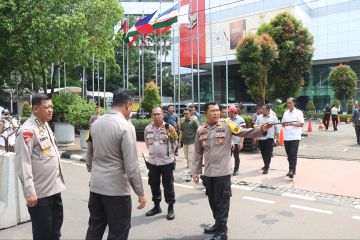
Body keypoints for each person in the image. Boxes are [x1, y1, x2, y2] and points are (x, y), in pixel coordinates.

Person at [192, 102, 272, 240]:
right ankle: (218, 224)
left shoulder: (227, 124)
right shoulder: (201, 130)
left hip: (223, 172)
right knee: (212, 201)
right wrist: (196, 171)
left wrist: (262, 130)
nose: (217, 113)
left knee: (222, 201)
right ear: (206, 113)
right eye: (213, 111)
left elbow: (244, 132)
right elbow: (198, 152)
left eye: (218, 110)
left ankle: (222, 232)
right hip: (209, 172)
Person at [85, 89, 146, 240]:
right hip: (116, 190)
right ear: (128, 105)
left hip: (96, 186)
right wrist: (140, 192)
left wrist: (97, 174)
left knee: (95, 227)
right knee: (118, 231)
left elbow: (89, 158)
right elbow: (131, 166)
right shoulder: (126, 126)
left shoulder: (95, 123)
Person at [15, 93, 65, 240]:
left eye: (51, 107)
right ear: (35, 108)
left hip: (54, 189)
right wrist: (29, 191)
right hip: (40, 193)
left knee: (55, 231)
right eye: (46, 107)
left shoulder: (44, 125)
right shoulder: (27, 131)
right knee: (43, 233)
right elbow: (23, 162)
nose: (50, 110)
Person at [144, 106, 178, 220]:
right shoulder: (148, 128)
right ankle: (156, 207)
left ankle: (171, 207)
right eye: (154, 114)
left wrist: (170, 154)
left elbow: (175, 142)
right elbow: (147, 143)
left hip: (167, 162)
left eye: (158, 114)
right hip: (153, 162)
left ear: (162, 115)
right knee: (154, 184)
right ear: (151, 115)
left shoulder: (169, 128)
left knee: (168, 185)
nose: (156, 116)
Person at [281, 97, 304, 179]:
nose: (288, 104)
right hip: (287, 136)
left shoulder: (298, 112)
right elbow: (283, 124)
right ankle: (292, 169)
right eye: (287, 103)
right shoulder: (285, 113)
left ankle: (291, 170)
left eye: (290, 103)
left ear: (294, 103)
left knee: (293, 154)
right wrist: (284, 124)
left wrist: (292, 124)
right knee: (289, 155)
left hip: (295, 136)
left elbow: (301, 124)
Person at [255, 104, 280, 174]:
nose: (261, 111)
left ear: (268, 110)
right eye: (262, 109)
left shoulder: (274, 118)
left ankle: (266, 167)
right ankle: (266, 164)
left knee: (268, 153)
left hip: (269, 138)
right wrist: (255, 136)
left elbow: (277, 129)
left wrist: (277, 138)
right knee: (263, 153)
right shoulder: (259, 117)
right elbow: (256, 127)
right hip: (261, 138)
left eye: (263, 109)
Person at [179, 108, 198, 182]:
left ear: (190, 114)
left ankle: (190, 174)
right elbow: (181, 132)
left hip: (192, 142)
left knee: (190, 158)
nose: (185, 115)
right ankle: (192, 169)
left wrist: (197, 141)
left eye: (187, 113)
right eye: (184, 113)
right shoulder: (182, 123)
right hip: (185, 143)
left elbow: (197, 131)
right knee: (187, 158)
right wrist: (179, 142)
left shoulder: (193, 122)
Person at [226, 106, 246, 176]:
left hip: (237, 141)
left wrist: (241, 142)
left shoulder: (241, 120)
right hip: (228, 142)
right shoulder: (227, 120)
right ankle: (227, 170)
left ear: (233, 112)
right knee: (228, 157)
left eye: (229, 112)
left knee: (236, 156)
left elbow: (243, 132)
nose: (228, 113)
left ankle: (236, 170)